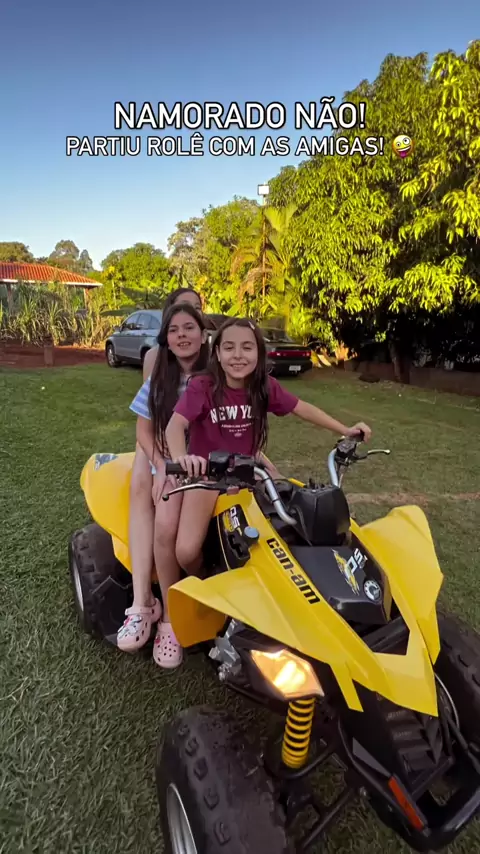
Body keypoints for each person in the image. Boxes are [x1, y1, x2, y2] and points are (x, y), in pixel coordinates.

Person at [160, 317, 372, 667]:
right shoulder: (203, 386)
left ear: (259, 353)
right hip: (211, 475)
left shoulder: (264, 387)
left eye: (247, 347)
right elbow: (175, 425)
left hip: (251, 472)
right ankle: (206, 585)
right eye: (229, 347)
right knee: (185, 550)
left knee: (288, 527)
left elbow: (302, 408)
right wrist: (183, 458)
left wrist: (345, 429)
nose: (238, 355)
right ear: (217, 353)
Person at [116, 300, 209, 664]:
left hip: (208, 468)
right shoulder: (160, 380)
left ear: (203, 334)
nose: (182, 336)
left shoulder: (215, 377)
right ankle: (168, 616)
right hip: (172, 467)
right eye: (174, 330)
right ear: (165, 339)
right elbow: (144, 429)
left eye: (189, 328)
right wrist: (160, 466)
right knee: (164, 529)